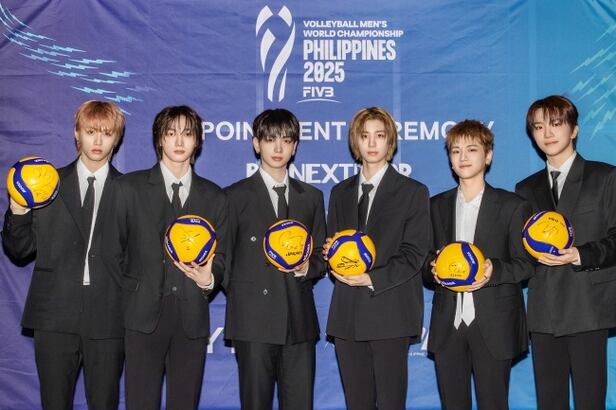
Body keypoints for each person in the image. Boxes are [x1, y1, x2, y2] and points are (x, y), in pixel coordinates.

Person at [2, 100, 125, 409]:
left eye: (106, 133)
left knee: (105, 403)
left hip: (109, 318)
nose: (98, 141)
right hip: (54, 316)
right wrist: (18, 210)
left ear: (117, 138)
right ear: (76, 133)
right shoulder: (45, 184)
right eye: (90, 131)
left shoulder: (131, 191)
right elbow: (19, 250)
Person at [106, 105, 227, 409]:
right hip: (141, 316)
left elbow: (224, 255)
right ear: (159, 138)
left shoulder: (214, 196)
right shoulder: (128, 188)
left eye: (187, 134)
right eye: (171, 133)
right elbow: (111, 252)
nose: (179, 141)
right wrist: (130, 295)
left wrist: (209, 279)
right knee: (140, 402)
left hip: (191, 317)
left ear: (197, 141)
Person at [324, 107, 431, 410]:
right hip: (347, 316)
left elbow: (414, 253)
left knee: (390, 403)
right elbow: (334, 250)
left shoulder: (412, 192)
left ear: (390, 141)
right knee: (356, 403)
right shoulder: (340, 192)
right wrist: (330, 253)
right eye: (364, 135)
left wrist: (370, 278)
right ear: (355, 142)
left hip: (390, 313)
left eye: (379, 135)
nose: (372, 143)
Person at [515, 95, 616, 410]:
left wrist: (579, 254)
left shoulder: (605, 177)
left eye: (556, 124)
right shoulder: (525, 189)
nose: (547, 133)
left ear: (574, 129)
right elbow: (521, 252)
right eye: (538, 127)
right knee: (549, 402)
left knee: (590, 401)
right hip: (543, 311)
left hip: (587, 307)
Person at [425, 120, 533, 409]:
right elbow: (423, 261)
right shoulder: (435, 206)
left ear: (488, 156)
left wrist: (493, 270)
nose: (463, 157)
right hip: (448, 324)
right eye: (455, 150)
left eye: (472, 149)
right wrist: (433, 270)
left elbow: (526, 264)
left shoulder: (512, 205)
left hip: (494, 324)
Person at [224, 108, 326, 410]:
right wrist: (245, 298)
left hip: (299, 322)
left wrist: (307, 267)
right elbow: (224, 260)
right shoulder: (233, 197)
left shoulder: (311, 197)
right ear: (257, 144)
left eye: (286, 140)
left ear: (295, 146)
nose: (278, 147)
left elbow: (321, 254)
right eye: (270, 139)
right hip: (253, 324)